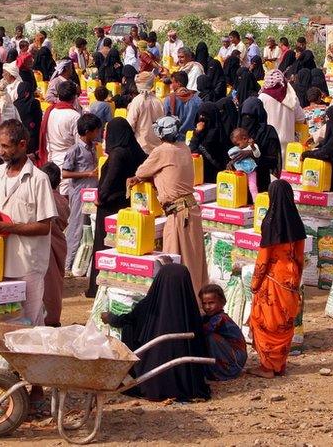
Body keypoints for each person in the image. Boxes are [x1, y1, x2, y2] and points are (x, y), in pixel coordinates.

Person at [0, 120, 58, 325]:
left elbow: (44, 226)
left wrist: (4, 227)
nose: (0, 152)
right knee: (2, 322)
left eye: (5, 146)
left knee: (29, 322)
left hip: (27, 265)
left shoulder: (38, 179)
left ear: (22, 145)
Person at [101, 264, 211, 401]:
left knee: (130, 327)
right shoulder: (190, 309)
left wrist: (110, 317)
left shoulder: (149, 305)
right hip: (187, 382)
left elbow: (126, 320)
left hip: (151, 380)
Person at [130, 116, 208, 298]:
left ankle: (183, 305)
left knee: (175, 262)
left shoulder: (162, 151)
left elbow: (141, 172)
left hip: (179, 214)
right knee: (194, 262)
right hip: (190, 209)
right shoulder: (184, 147)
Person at [247, 180, 306, 378]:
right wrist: (296, 281)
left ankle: (267, 367)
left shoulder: (271, 223)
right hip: (290, 281)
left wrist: (255, 283)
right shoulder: (297, 223)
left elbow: (263, 258)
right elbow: (299, 257)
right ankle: (279, 365)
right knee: (285, 323)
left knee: (266, 323)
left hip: (272, 281)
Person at [86, 119, 148, 296]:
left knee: (104, 244)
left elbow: (111, 179)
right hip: (128, 204)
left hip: (110, 205)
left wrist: (100, 197)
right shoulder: (136, 150)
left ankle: (99, 287)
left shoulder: (118, 154)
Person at [61, 114, 102, 274]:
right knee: (76, 226)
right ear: (87, 131)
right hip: (79, 192)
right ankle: (68, 263)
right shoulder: (74, 150)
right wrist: (87, 174)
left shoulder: (94, 146)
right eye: (96, 130)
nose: (98, 132)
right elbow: (65, 173)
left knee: (89, 225)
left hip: (92, 191)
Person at [39, 162, 70, 327]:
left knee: (45, 284)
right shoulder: (62, 200)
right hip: (57, 245)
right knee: (54, 284)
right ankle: (51, 318)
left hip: (43, 245)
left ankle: (45, 319)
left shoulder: (39, 197)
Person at [199, 284, 247, 381]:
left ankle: (220, 372)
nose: (207, 307)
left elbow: (203, 331)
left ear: (222, 302)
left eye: (211, 303)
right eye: (204, 303)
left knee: (210, 337)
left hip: (235, 360)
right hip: (227, 353)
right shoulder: (207, 317)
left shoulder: (221, 318)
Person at [239, 98, 281, 193]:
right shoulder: (239, 132)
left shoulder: (269, 132)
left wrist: (252, 154)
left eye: (250, 116)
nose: (246, 120)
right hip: (240, 183)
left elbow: (273, 161)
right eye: (244, 116)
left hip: (261, 183)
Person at [38, 80, 80, 170]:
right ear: (74, 97)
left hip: (52, 161)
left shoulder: (49, 112)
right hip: (68, 165)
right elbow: (79, 144)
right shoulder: (75, 116)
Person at [259, 69, 304, 148]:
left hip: (269, 142)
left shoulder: (262, 97)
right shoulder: (291, 97)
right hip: (288, 142)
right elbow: (301, 118)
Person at [126, 71, 163, 152]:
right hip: (157, 146)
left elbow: (130, 124)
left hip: (142, 147)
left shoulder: (137, 101)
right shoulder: (158, 101)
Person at [228, 127, 261, 199]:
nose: (237, 146)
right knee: (239, 185)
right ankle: (239, 200)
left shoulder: (252, 146)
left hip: (251, 170)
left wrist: (252, 148)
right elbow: (233, 157)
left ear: (245, 139)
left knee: (252, 186)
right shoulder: (238, 149)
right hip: (240, 171)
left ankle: (256, 202)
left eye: (238, 144)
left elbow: (257, 155)